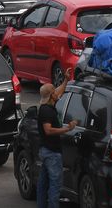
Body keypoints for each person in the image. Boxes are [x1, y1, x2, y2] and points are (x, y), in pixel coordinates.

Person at [37, 68, 75, 208]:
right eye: (53, 91)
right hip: (51, 153)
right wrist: (67, 129)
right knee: (55, 185)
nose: (56, 92)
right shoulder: (46, 111)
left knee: (43, 183)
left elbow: (59, 91)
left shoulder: (49, 104)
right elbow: (48, 130)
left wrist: (66, 79)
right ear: (50, 95)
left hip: (47, 151)